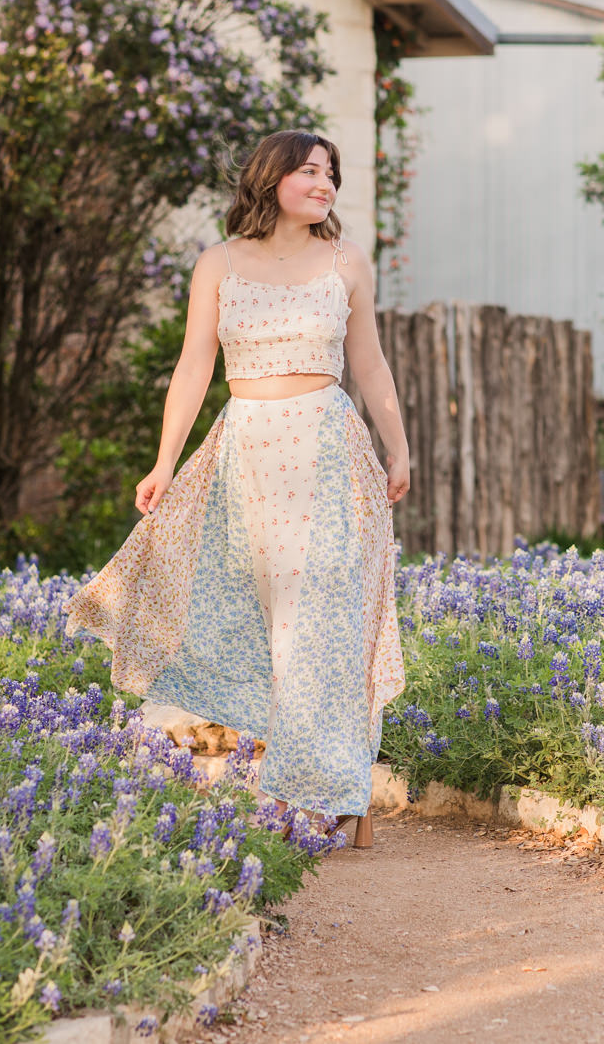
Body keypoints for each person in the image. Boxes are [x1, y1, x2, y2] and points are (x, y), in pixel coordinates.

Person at [70, 130, 411, 850]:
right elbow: (194, 366)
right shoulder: (218, 263)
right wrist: (165, 461)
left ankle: (333, 791)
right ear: (272, 178)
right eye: (310, 170)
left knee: (322, 623)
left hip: (327, 448)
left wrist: (398, 445)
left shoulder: (346, 262)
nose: (325, 183)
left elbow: (371, 364)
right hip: (247, 454)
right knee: (255, 623)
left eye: (331, 173)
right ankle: (293, 782)